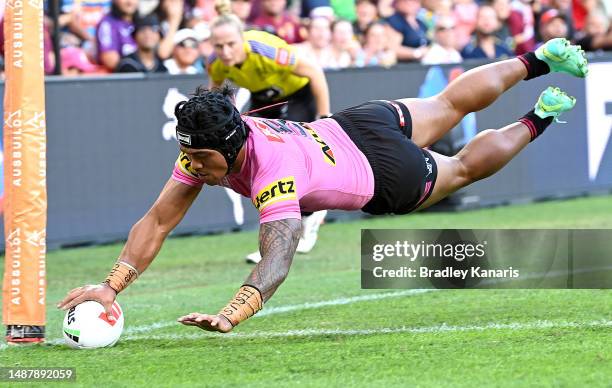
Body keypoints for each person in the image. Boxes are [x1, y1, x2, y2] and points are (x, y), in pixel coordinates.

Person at [58, 38, 587, 333]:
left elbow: (280, 255)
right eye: (187, 153)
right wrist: (111, 285)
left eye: (199, 157)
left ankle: (541, 115)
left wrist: (233, 311)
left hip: (384, 176)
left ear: (231, 147)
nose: (192, 165)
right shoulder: (213, 145)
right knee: (449, 104)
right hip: (357, 123)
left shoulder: (272, 171)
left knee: (464, 168)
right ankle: (540, 59)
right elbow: (158, 219)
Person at [208, 3, 332, 261]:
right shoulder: (217, 64)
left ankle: (311, 218)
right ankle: (274, 239)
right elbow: (216, 98)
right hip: (265, 99)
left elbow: (314, 72)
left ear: (242, 38)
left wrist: (323, 118)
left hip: (300, 94)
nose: (226, 52)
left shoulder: (265, 49)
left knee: (295, 157)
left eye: (231, 44)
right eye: (219, 47)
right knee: (256, 159)